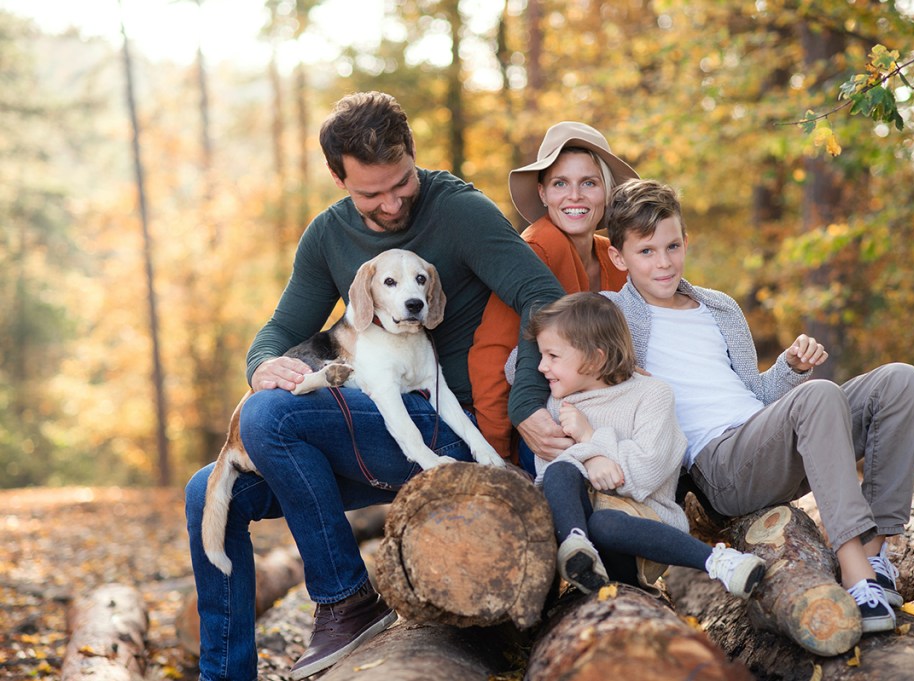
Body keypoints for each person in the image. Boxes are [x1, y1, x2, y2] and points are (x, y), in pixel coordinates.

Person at [183, 91, 564, 681]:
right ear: (338, 178)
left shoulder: (461, 210)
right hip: (363, 428)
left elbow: (542, 295)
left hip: (444, 425)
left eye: (402, 182)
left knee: (267, 421)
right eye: (370, 194)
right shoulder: (328, 236)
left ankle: (345, 597)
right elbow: (284, 328)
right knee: (207, 488)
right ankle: (225, 674)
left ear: (413, 155)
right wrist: (262, 364)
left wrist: (527, 402)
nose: (391, 204)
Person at [601, 178, 914, 634]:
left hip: (765, 437)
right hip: (722, 470)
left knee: (900, 380)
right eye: (646, 251)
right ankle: (857, 575)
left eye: (672, 245)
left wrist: (790, 367)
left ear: (686, 241)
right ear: (618, 257)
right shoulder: (610, 314)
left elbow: (753, 394)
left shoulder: (718, 307)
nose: (664, 262)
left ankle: (876, 557)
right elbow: (532, 359)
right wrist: (619, 378)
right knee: (818, 395)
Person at [526, 292, 766, 598]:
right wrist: (592, 461)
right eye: (542, 355)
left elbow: (643, 473)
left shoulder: (652, 395)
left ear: (596, 358)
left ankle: (720, 563)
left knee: (605, 523)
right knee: (561, 472)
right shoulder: (559, 403)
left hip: (642, 532)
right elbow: (548, 472)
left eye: (553, 356)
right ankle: (577, 552)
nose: (541, 367)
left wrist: (590, 438)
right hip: (587, 533)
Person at [468, 122, 636, 472]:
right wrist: (498, 454)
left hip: (608, 419)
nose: (574, 196)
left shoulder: (614, 256)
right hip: (548, 430)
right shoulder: (531, 252)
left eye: (588, 183)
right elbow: (492, 353)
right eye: (561, 184)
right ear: (543, 193)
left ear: (607, 192)